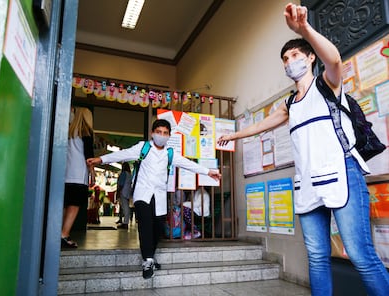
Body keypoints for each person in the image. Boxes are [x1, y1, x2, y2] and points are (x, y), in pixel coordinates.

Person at [218, 3, 389, 296]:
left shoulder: (327, 84)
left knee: (360, 254)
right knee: (317, 257)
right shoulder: (289, 104)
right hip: (308, 182)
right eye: (285, 58)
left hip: (342, 173)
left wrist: (304, 30)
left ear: (310, 58)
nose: (289, 62)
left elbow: (334, 60)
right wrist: (234, 135)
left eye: (295, 55)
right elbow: (266, 124)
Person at [87, 119, 221, 279]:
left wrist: (208, 171)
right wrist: (100, 159)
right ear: (152, 133)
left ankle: (150, 256)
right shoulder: (143, 147)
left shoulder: (170, 153)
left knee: (158, 228)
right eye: (159, 132)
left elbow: (187, 164)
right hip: (142, 194)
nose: (162, 136)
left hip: (159, 195)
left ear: (169, 135)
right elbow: (122, 154)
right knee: (145, 225)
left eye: (165, 133)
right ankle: (148, 260)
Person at [62, 107, 95, 248]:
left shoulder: (70, 132)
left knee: (65, 205)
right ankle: (64, 234)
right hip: (78, 176)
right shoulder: (86, 133)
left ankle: (60, 232)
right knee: (74, 207)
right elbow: (89, 157)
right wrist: (92, 172)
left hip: (66, 175)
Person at [116, 162, 132, 229]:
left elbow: (121, 184)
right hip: (128, 192)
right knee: (126, 207)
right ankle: (125, 222)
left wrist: (118, 192)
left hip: (123, 191)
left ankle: (125, 223)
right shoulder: (129, 174)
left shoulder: (123, 174)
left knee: (125, 208)